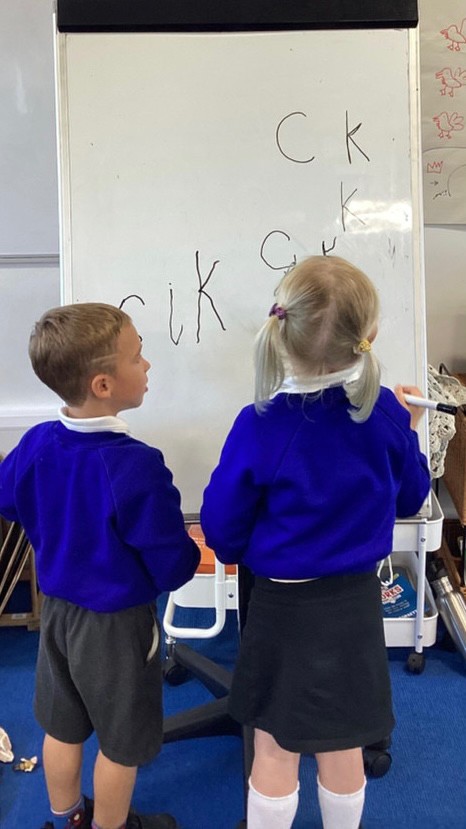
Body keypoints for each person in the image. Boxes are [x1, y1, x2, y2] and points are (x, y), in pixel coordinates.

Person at [200, 255, 431, 829]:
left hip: (282, 606)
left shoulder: (260, 423)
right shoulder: (384, 413)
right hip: (354, 605)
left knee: (274, 746)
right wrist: (407, 432)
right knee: (343, 741)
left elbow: (223, 531)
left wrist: (248, 545)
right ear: (367, 337)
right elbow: (410, 497)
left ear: (281, 329)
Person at [0, 303, 200, 829]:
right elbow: (172, 565)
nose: (147, 365)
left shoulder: (37, 442)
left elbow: (8, 500)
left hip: (57, 614)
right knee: (121, 743)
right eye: (138, 356)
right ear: (104, 385)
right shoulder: (135, 466)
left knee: (62, 727)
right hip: (116, 627)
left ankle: (67, 819)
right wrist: (190, 554)